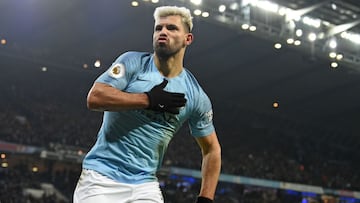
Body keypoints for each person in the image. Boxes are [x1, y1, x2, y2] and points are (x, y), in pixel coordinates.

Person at [73, 5, 221, 203]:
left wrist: (206, 198)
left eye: (172, 28)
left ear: (188, 39)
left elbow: (212, 149)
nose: (163, 32)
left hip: (145, 185)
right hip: (101, 178)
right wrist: (148, 100)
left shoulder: (195, 96)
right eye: (158, 28)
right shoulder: (133, 62)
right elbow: (95, 97)